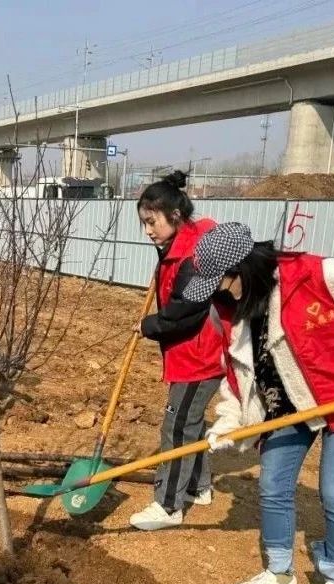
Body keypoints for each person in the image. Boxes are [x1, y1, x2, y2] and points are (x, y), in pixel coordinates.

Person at [184, 222, 334, 584]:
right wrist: (229, 421)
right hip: (286, 406)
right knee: (273, 485)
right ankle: (280, 578)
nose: (218, 292)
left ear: (243, 268)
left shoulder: (314, 276)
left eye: (220, 282)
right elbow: (239, 378)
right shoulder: (234, 312)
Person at [129, 171, 223, 531]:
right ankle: (198, 486)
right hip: (193, 352)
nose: (148, 231)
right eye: (144, 223)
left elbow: (184, 313)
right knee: (190, 422)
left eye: (152, 223)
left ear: (176, 217)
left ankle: (168, 505)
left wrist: (148, 326)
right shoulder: (178, 246)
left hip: (198, 355)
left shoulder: (192, 257)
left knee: (177, 426)